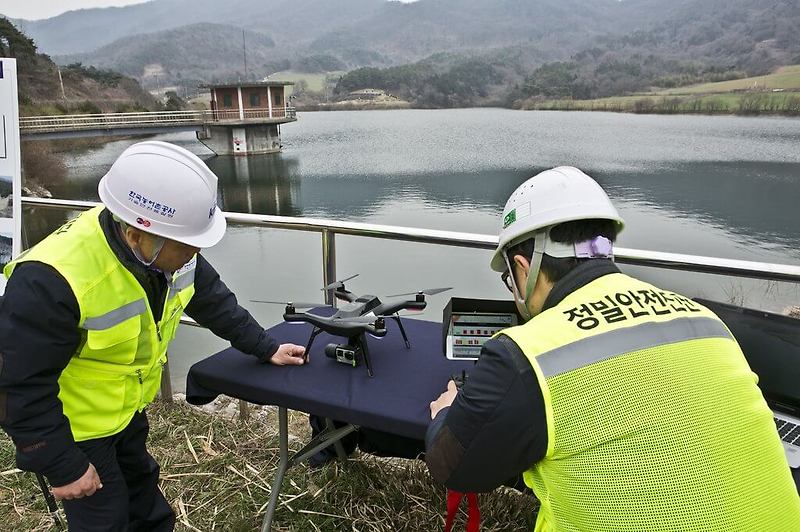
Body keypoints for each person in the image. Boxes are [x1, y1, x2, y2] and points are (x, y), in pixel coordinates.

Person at [426, 166, 800, 530]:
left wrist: (445, 413)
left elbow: (455, 468)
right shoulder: (704, 319)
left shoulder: (527, 353)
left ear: (524, 267)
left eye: (510, 277)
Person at [0, 141, 305, 531]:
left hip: (126, 412)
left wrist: (266, 347)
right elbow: (17, 386)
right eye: (188, 244)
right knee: (105, 520)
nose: (195, 253)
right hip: (78, 429)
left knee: (146, 502)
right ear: (134, 234)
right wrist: (63, 465)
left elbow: (213, 302)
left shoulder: (170, 251)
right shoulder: (52, 280)